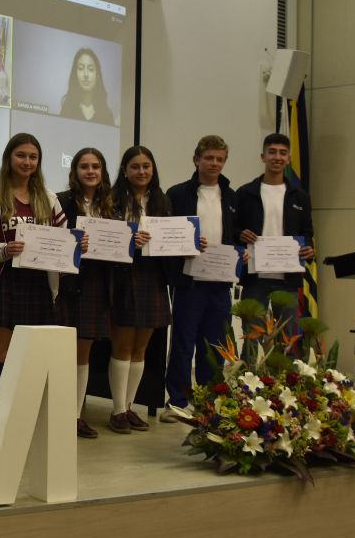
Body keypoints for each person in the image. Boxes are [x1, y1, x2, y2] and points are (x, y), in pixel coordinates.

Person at [0, 134, 66, 397]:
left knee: (31, 353)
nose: (27, 162)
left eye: (33, 157)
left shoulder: (50, 199)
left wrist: (75, 248)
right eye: (21, 155)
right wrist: (5, 251)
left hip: (39, 284)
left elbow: (63, 240)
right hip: (3, 282)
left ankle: (20, 417)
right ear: (8, 158)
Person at [161, 135, 239, 421]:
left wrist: (241, 252)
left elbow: (239, 234)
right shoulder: (178, 193)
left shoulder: (232, 196)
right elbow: (167, 237)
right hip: (189, 281)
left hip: (220, 283)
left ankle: (210, 402)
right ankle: (178, 401)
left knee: (215, 345)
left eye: (220, 159)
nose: (214, 163)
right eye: (209, 158)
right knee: (183, 342)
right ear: (197, 160)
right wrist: (187, 245)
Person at [107, 146, 171, 434]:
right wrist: (128, 239)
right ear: (124, 170)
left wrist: (193, 242)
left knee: (141, 348)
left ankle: (130, 406)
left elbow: (173, 238)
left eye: (147, 166)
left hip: (152, 276)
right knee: (122, 345)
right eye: (135, 166)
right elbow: (104, 237)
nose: (142, 171)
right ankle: (117, 409)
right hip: (123, 275)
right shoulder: (112, 200)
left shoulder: (162, 200)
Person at [54, 147, 115, 438]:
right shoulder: (62, 200)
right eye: (84, 167)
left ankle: (75, 416)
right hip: (68, 284)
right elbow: (54, 237)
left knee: (84, 353)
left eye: (96, 166)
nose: (90, 171)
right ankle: (57, 414)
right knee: (63, 351)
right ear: (74, 172)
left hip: (97, 283)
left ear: (102, 171)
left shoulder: (111, 206)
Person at [235, 133, 315, 316]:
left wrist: (309, 248)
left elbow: (307, 232)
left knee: (286, 339)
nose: (277, 157)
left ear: (288, 158)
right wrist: (240, 235)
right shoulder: (245, 193)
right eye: (272, 152)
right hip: (254, 279)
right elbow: (233, 229)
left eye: (282, 153)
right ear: (263, 157)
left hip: (288, 279)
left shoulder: (300, 196)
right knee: (251, 340)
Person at [57, 48, 115, 125]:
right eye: (81, 68)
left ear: (97, 76)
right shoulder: (67, 110)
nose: (86, 74)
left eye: (91, 69)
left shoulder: (107, 115)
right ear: (75, 75)